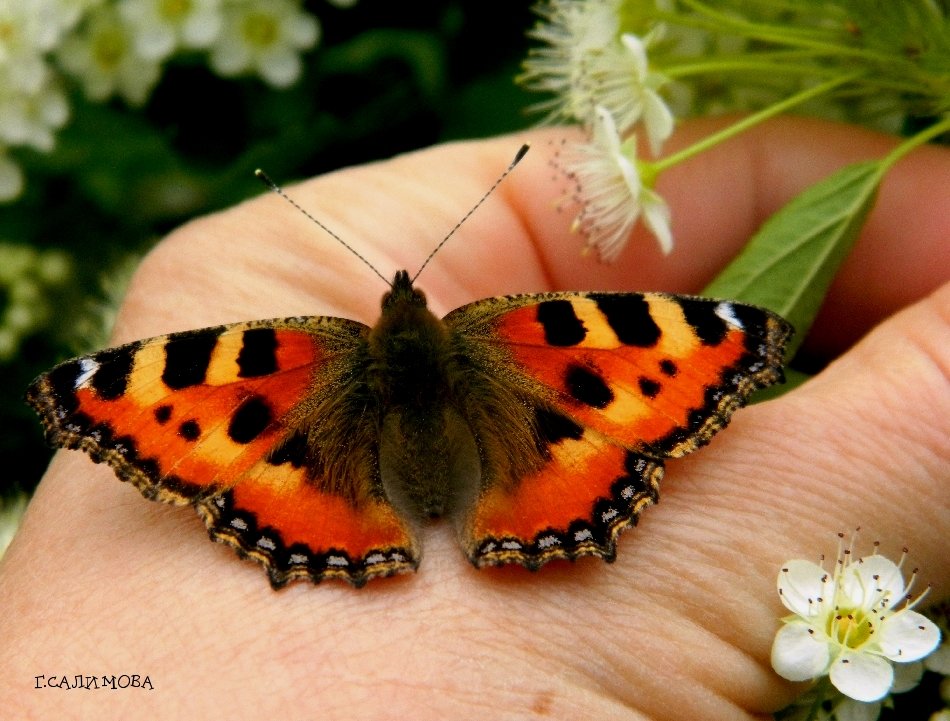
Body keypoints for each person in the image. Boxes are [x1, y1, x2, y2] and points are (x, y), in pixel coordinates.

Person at [1, 117, 946, 719]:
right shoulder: (542, 334)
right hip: (524, 460)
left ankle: (387, 525)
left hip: (323, 483)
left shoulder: (285, 355)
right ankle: (491, 518)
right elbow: (689, 349)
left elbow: (140, 394)